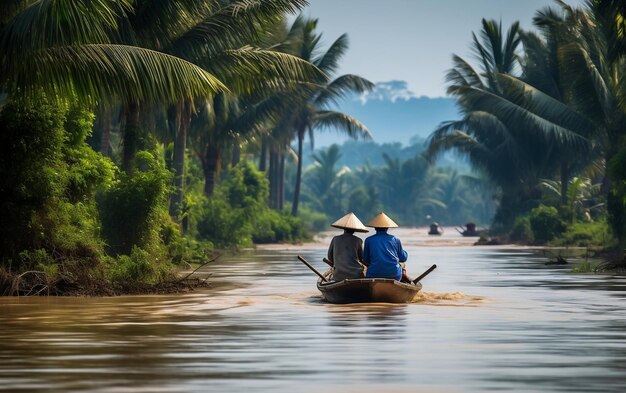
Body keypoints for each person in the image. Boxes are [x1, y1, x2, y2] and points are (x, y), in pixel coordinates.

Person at [363, 212, 408, 281]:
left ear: (375, 228)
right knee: (403, 264)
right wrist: (405, 253)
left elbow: (366, 260)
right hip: (394, 275)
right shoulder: (395, 239)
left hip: (373, 274)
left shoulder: (368, 240)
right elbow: (403, 258)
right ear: (387, 228)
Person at [327, 212, 369, 281]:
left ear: (344, 228)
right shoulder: (358, 240)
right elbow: (362, 259)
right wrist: (369, 266)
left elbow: (330, 257)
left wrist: (337, 265)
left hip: (338, 275)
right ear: (355, 230)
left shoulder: (335, 239)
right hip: (356, 275)